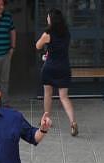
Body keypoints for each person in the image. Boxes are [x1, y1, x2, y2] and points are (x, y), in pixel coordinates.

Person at [36, 8, 77, 136]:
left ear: (52, 20)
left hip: (50, 67)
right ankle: (73, 122)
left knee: (48, 94)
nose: (47, 19)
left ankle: (46, 120)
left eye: (48, 17)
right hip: (64, 67)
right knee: (64, 97)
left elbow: (38, 46)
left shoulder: (47, 34)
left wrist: (46, 51)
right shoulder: (67, 33)